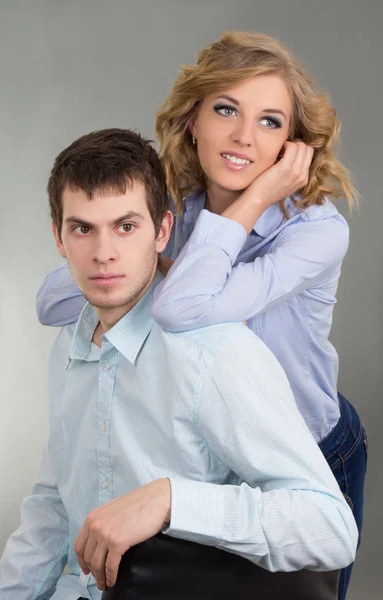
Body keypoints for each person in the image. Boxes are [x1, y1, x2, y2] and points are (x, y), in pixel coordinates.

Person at [35, 32, 367, 600]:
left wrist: (254, 200)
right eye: (226, 109)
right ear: (193, 118)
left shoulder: (318, 233)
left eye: (270, 122)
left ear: (293, 142)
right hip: (220, 452)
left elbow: (184, 309)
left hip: (307, 448)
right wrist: (142, 253)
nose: (243, 137)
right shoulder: (179, 213)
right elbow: (52, 301)